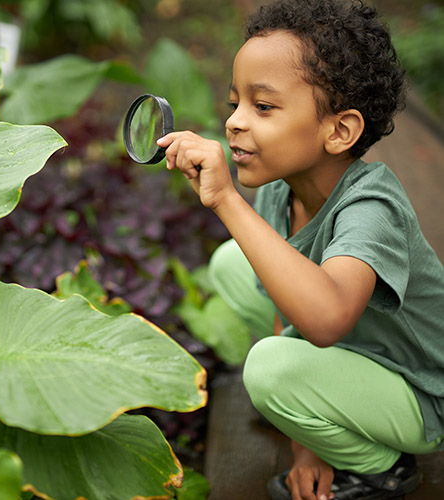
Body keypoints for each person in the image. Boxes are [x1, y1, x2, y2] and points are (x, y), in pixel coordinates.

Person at [156, 0, 444, 499]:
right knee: (233, 264)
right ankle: (316, 410)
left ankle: (380, 466)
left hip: (419, 392)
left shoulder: (372, 206)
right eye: (235, 104)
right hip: (356, 353)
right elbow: (284, 315)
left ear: (339, 131)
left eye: (262, 107)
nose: (235, 123)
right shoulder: (280, 188)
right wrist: (303, 441)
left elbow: (326, 319)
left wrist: (226, 198)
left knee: (267, 369)